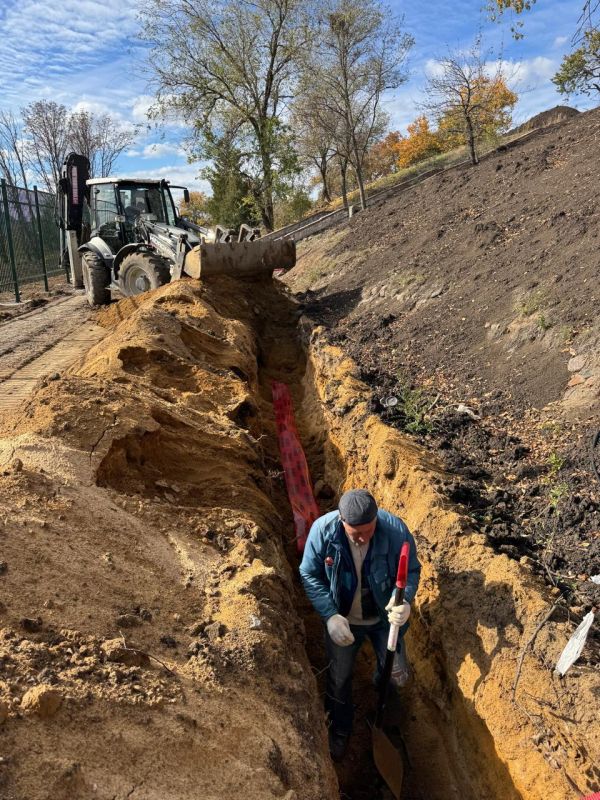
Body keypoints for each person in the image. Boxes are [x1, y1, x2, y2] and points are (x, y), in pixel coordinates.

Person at [299, 488, 421, 762]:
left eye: (369, 530)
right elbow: (309, 573)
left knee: (395, 676)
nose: (364, 537)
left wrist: (404, 601)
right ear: (342, 521)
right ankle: (340, 729)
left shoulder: (395, 531)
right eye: (357, 534)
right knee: (339, 678)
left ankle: (383, 713)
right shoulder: (322, 532)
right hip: (344, 620)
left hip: (383, 622)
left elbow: (411, 570)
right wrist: (330, 615)